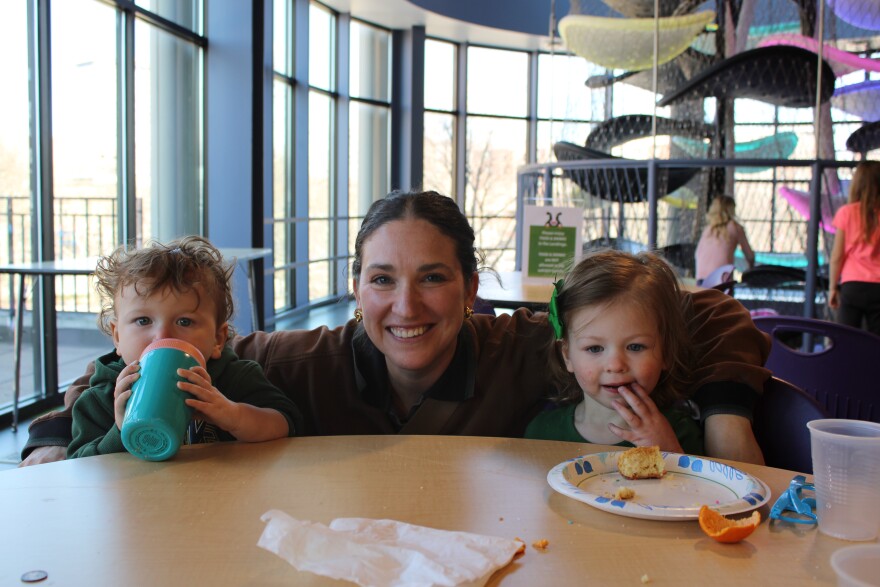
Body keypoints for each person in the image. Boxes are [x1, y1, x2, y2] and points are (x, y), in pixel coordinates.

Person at [20, 190, 769, 466]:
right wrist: (55, 434)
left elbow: (710, 309)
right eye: (382, 279)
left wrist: (729, 420)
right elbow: (161, 351)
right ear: (355, 289)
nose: (405, 306)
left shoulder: (525, 350)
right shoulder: (302, 359)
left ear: (472, 288)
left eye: (433, 278)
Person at [66, 236, 302, 458]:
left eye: (184, 322)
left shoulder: (235, 377)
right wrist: (120, 430)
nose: (162, 337)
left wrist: (233, 416)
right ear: (117, 336)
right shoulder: (102, 395)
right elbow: (78, 466)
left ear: (218, 339)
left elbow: (287, 423)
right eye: (143, 321)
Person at [525, 251, 703, 455]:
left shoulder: (679, 432)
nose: (616, 365)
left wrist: (669, 452)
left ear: (666, 352)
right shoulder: (542, 432)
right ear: (567, 355)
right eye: (595, 348)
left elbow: (691, 487)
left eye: (635, 347)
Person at [829, 161, 880, 335]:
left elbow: (837, 256)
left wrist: (832, 287)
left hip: (852, 285)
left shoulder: (846, 213)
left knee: (846, 338)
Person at [695, 195, 755, 284]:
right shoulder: (735, 227)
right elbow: (750, 256)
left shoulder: (708, 229)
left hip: (701, 281)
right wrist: (751, 270)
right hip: (721, 282)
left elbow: (697, 254)